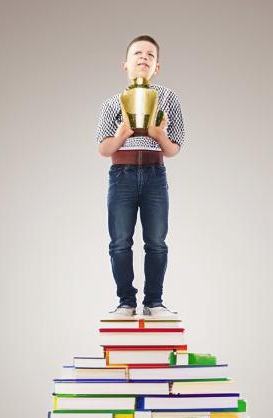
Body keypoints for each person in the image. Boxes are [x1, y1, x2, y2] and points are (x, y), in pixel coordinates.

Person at [96, 35, 185, 318]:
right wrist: (122, 133)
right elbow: (103, 147)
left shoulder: (168, 98)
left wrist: (159, 135)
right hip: (121, 173)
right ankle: (126, 302)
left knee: (156, 240)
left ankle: (154, 302)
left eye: (150, 55)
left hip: (154, 173)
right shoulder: (113, 103)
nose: (143, 57)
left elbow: (174, 147)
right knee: (120, 240)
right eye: (137, 53)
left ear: (156, 66)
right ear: (125, 64)